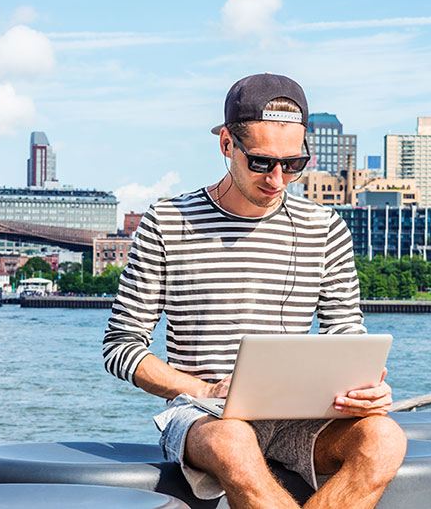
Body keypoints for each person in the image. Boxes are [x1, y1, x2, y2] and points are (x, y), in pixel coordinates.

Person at [103, 73, 407, 509]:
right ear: (227, 144)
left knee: (384, 439)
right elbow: (121, 346)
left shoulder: (325, 228)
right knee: (234, 441)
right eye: (262, 162)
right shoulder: (167, 221)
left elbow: (345, 331)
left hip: (299, 415)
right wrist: (204, 389)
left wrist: (365, 388)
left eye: (294, 164)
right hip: (206, 416)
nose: (278, 179)